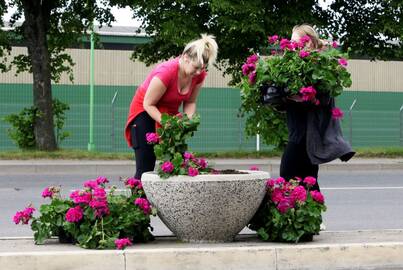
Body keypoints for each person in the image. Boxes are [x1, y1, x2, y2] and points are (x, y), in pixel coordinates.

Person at [124, 34, 218, 179]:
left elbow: (190, 102)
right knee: (146, 165)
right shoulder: (166, 72)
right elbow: (148, 104)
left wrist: (186, 121)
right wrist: (166, 122)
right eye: (196, 67)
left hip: (168, 117)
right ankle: (139, 200)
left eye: (203, 68)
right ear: (185, 57)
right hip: (145, 112)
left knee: (177, 161)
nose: (199, 72)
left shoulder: (198, 75)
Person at [280, 24, 355, 191]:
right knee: (306, 183)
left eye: (297, 41)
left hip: (305, 138)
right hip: (298, 135)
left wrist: (307, 98)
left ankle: (308, 214)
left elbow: (324, 99)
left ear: (310, 43)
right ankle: (309, 215)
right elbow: (282, 103)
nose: (293, 46)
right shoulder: (289, 68)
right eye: (291, 42)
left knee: (291, 181)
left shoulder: (320, 67)